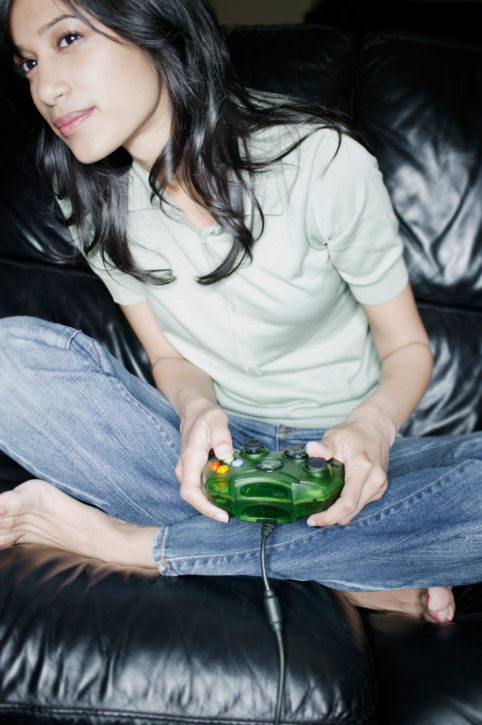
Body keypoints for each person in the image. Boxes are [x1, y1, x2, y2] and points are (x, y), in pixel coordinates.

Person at [0, 0, 480, 625]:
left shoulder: (322, 162)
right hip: (212, 454)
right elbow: (169, 358)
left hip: (345, 460)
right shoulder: (91, 195)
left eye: (68, 39)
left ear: (156, 24)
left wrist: (373, 430)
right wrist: (198, 410)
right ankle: (345, 569)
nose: (45, 87)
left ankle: (133, 544)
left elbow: (409, 349)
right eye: (29, 62)